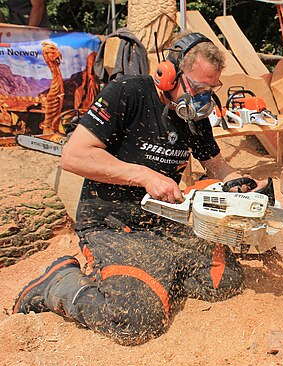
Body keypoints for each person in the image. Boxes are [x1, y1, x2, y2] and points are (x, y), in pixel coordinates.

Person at [12, 32, 266, 345]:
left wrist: (243, 183)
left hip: (162, 223)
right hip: (112, 224)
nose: (202, 98)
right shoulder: (126, 93)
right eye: (198, 88)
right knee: (137, 319)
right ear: (168, 74)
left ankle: (152, 274)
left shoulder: (191, 115)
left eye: (209, 90)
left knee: (225, 280)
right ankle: (60, 283)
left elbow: (217, 166)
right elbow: (73, 156)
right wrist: (144, 176)